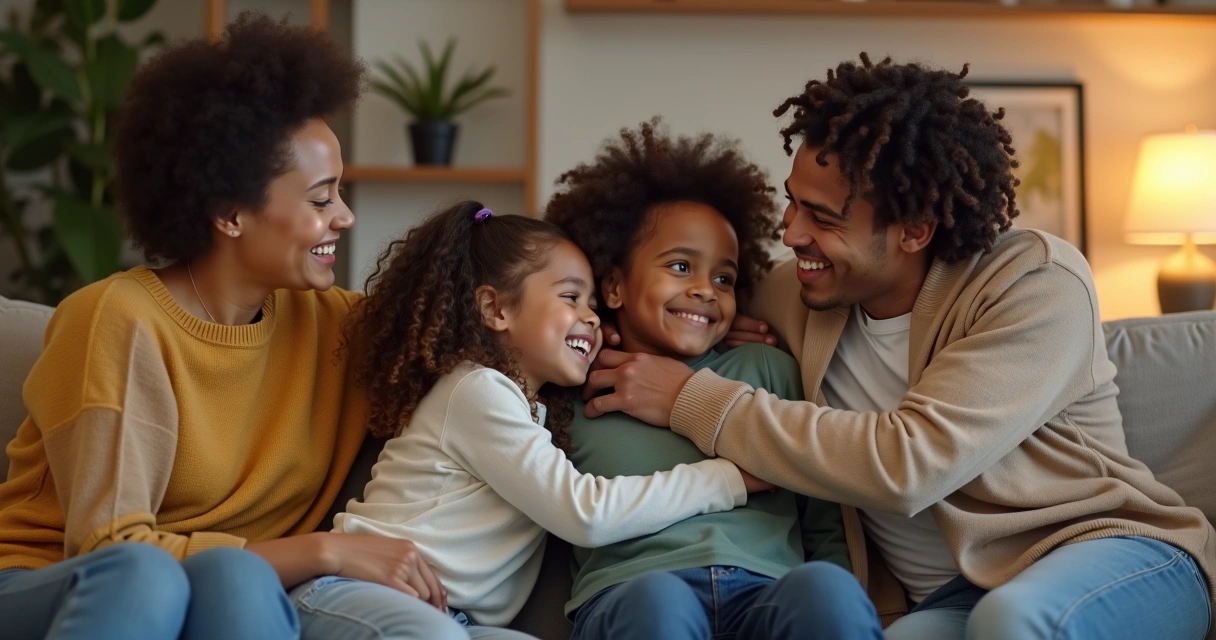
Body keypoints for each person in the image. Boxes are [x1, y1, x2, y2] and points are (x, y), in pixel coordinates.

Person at [581, 54, 1214, 640]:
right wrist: (596, 328)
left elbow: (910, 465)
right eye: (791, 203)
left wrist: (693, 396)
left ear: (914, 231)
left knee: (1014, 622)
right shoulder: (795, 292)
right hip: (946, 599)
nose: (790, 233)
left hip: (1104, 554)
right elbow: (676, 305)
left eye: (823, 219)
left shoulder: (1034, 283)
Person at [0, 14, 450, 640]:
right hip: (51, 582)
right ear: (230, 213)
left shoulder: (338, 327)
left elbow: (493, 332)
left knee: (237, 578)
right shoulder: (119, 319)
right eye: (320, 199)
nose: (344, 217)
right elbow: (108, 545)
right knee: (152, 575)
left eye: (340, 193)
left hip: (227, 587)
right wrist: (323, 550)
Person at [324, 201, 768, 638]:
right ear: (496, 310)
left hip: (453, 620)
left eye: (595, 305)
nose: (592, 317)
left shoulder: (531, 408)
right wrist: (727, 479)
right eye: (572, 297)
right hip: (361, 590)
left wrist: (708, 328)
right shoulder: (477, 390)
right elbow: (585, 513)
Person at [544, 120, 882, 640]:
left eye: (723, 278)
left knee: (827, 591)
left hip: (767, 591)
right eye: (680, 266)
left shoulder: (766, 367)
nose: (705, 290)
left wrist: (838, 588)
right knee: (657, 604)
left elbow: (822, 515)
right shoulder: (571, 382)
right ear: (613, 286)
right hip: (634, 591)